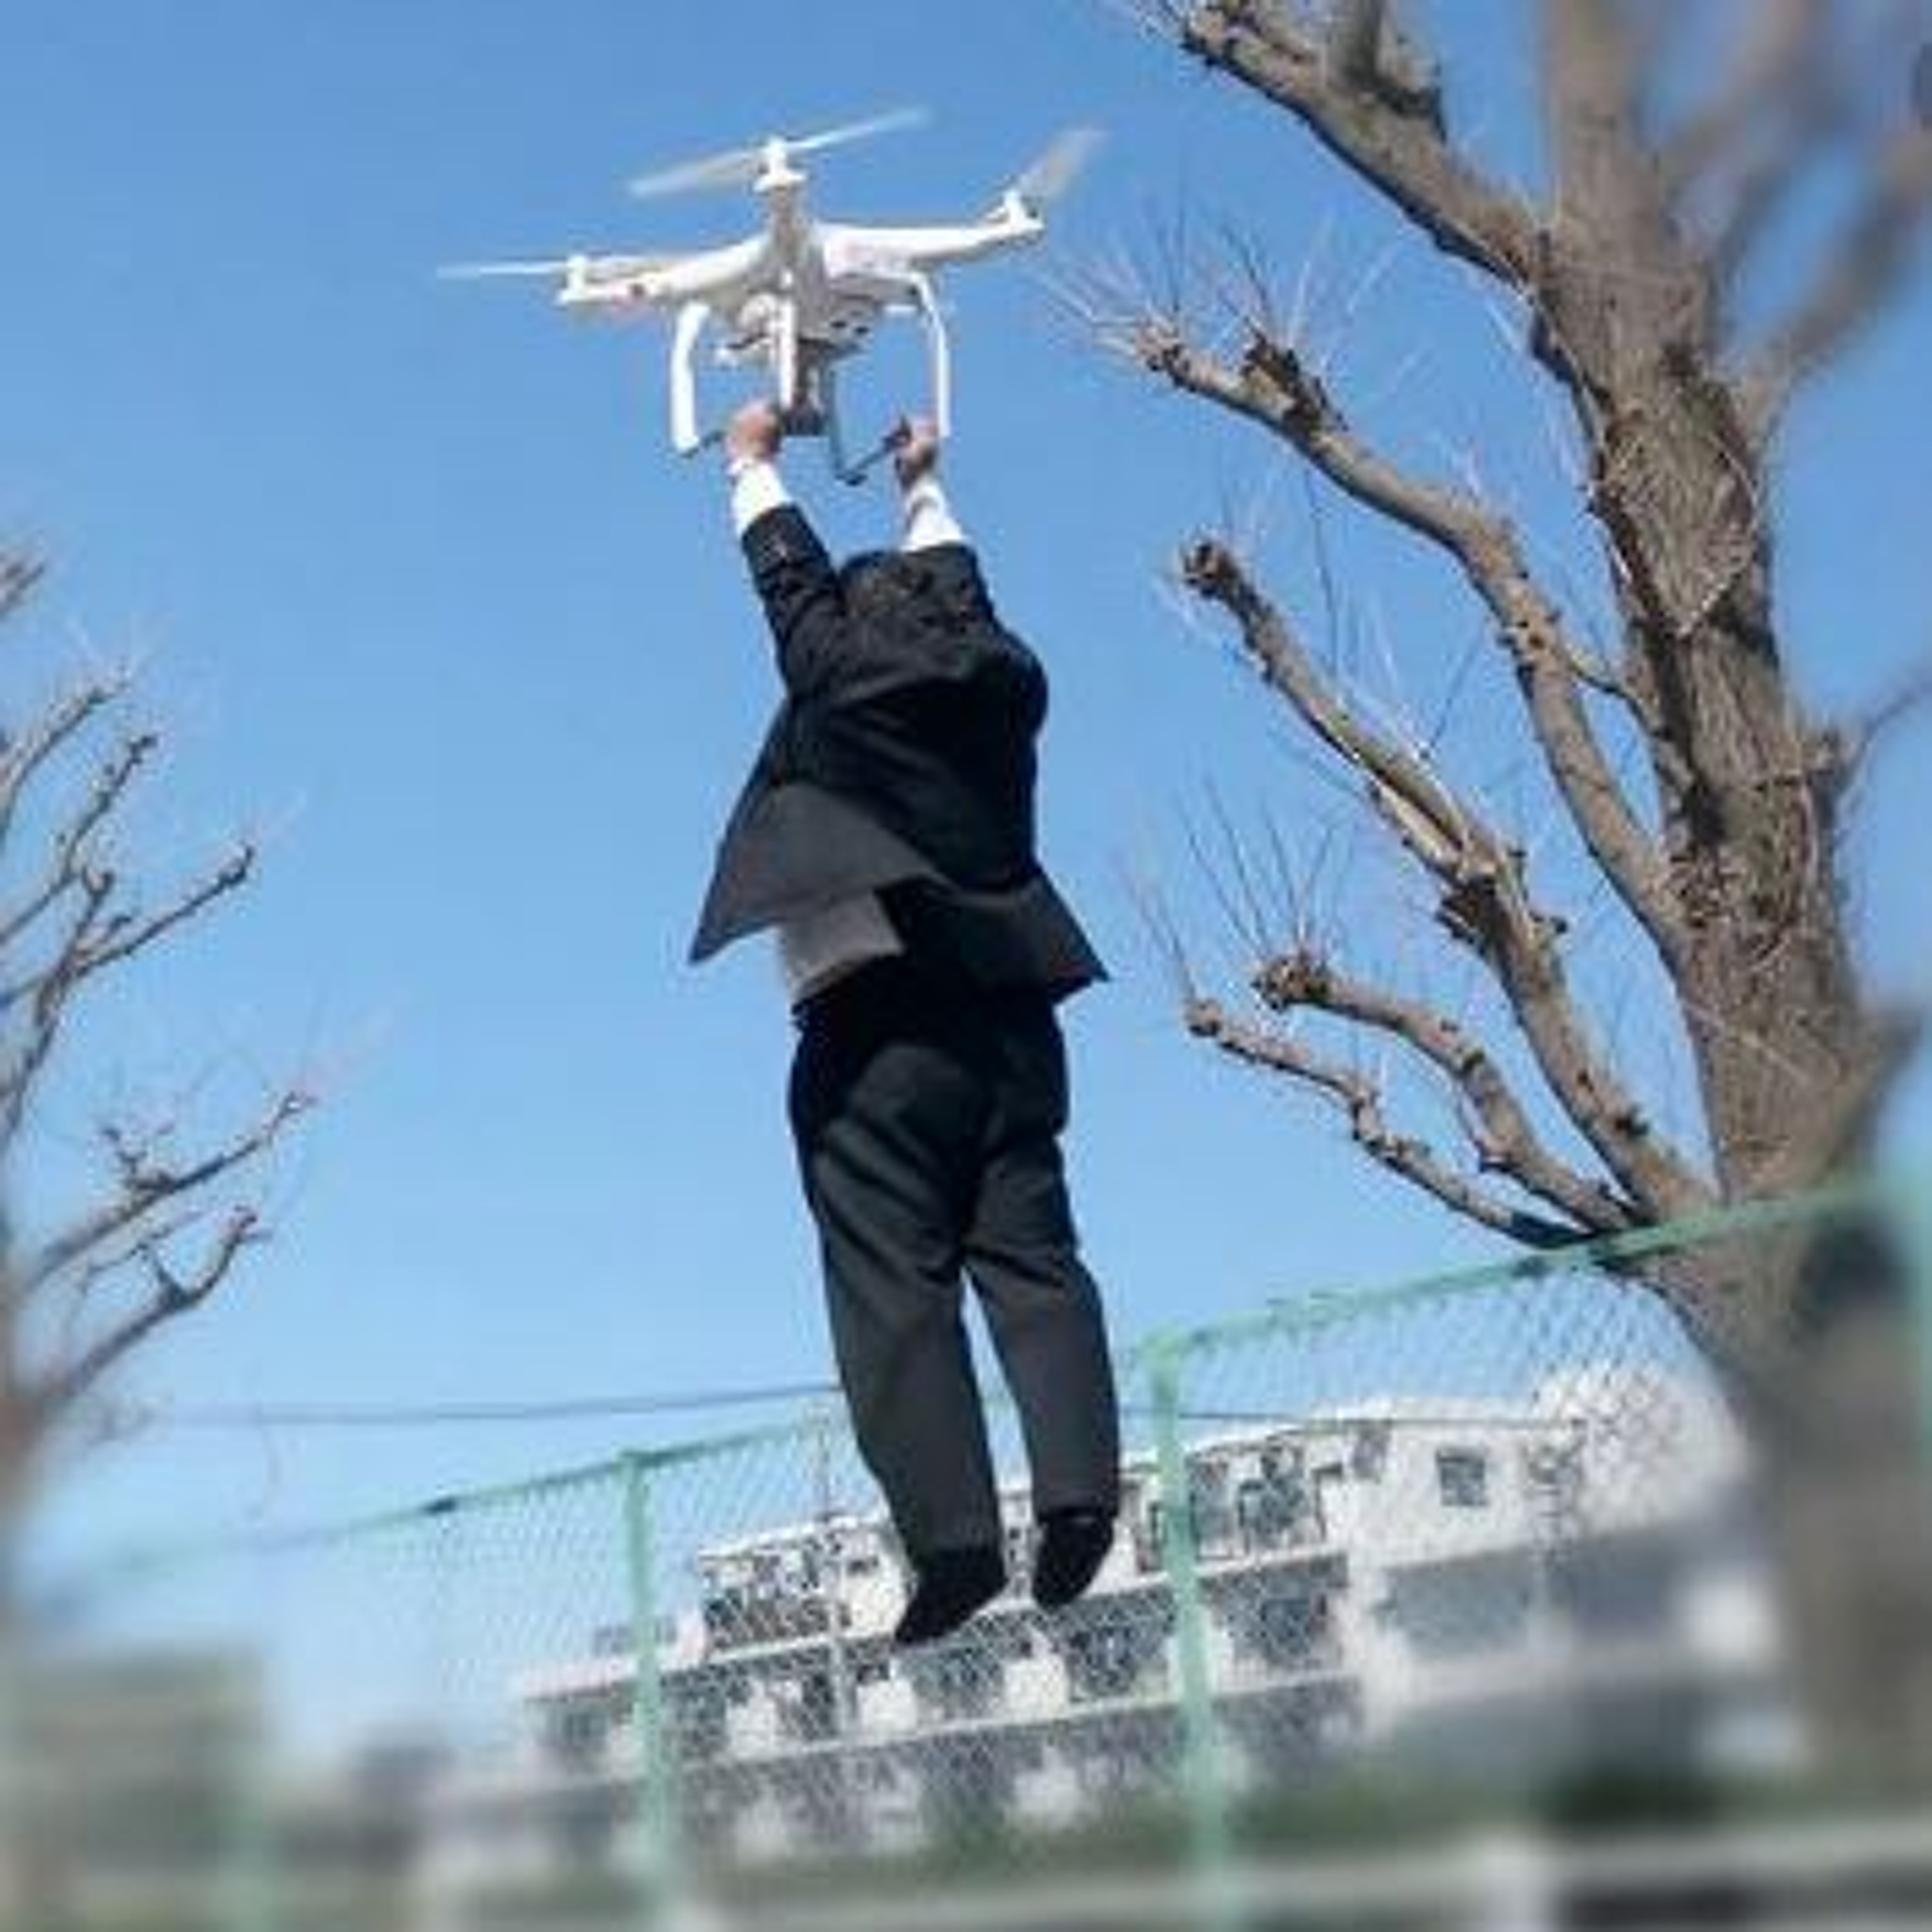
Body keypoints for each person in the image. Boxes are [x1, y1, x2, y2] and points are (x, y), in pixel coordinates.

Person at [690, 399, 1121, 1645]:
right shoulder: (1007, 690)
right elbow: (962, 599)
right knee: (1036, 1264)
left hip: (877, 1034)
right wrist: (924, 487)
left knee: (894, 1290)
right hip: (1015, 1021)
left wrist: (751, 468)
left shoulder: (846, 692)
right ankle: (1081, 1498)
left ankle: (954, 1540)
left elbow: (794, 599)